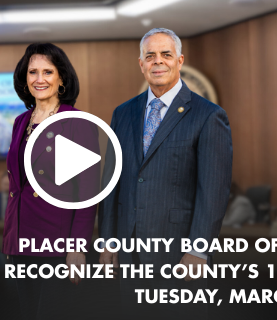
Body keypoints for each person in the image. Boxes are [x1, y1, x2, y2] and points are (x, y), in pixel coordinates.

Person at [98, 28, 233, 319]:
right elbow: (111, 181)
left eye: (166, 55)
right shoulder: (123, 113)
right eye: (150, 56)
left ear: (180, 60)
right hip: (128, 251)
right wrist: (107, 238)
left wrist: (199, 249)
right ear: (141, 64)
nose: (158, 62)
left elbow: (214, 190)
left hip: (178, 253)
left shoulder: (208, 116)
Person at [3, 42, 100, 320]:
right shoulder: (21, 121)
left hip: (55, 244)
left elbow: (87, 192)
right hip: (21, 242)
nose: (39, 79)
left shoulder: (76, 122)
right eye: (32, 72)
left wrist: (77, 248)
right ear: (24, 79)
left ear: (62, 79)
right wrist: (11, 240)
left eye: (48, 72)